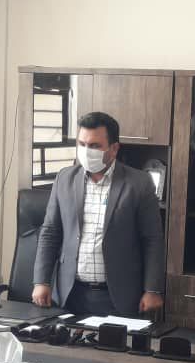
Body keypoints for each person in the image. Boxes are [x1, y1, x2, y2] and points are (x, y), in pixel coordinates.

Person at [32, 111, 165, 317]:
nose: (86, 151)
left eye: (95, 146)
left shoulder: (139, 183)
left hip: (117, 295)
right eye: (82, 144)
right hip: (70, 292)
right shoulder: (65, 178)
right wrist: (41, 281)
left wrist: (152, 290)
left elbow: (152, 239)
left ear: (114, 149)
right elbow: (50, 232)